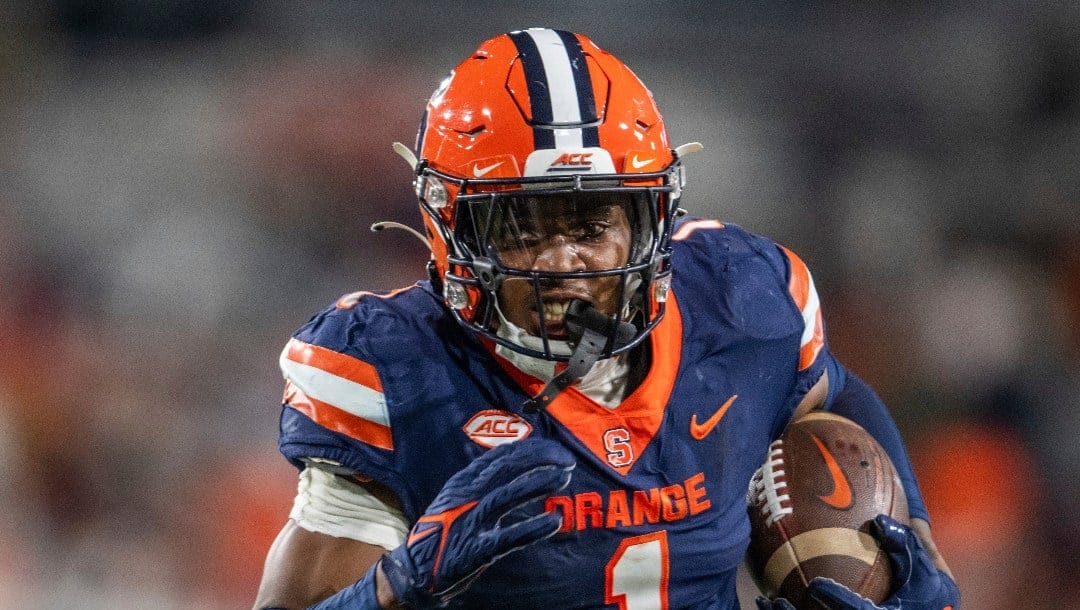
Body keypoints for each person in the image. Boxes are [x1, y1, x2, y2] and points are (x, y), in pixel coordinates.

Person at [254, 28, 959, 609]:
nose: (564, 260)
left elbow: (828, 394)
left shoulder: (741, 306)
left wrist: (917, 547)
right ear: (451, 229)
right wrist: (392, 586)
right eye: (524, 226)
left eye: (592, 222)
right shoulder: (393, 371)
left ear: (651, 220)